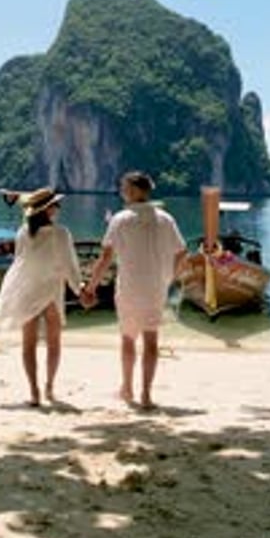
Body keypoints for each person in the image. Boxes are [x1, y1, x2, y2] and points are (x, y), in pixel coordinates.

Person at [83, 171, 186, 410]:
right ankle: (147, 394)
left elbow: (106, 258)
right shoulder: (165, 218)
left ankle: (127, 388)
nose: (122, 191)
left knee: (128, 338)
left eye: (125, 187)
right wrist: (169, 278)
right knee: (151, 340)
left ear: (137, 190)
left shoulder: (120, 219)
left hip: (129, 286)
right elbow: (181, 253)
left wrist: (90, 287)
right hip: (155, 287)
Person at [0, 187, 83, 406]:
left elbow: (19, 262)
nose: (59, 208)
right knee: (54, 343)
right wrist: (80, 289)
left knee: (28, 345)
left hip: (26, 290)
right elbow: (69, 266)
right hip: (51, 291)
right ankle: (49, 388)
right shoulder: (61, 233)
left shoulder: (24, 232)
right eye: (56, 204)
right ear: (49, 209)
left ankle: (34, 392)